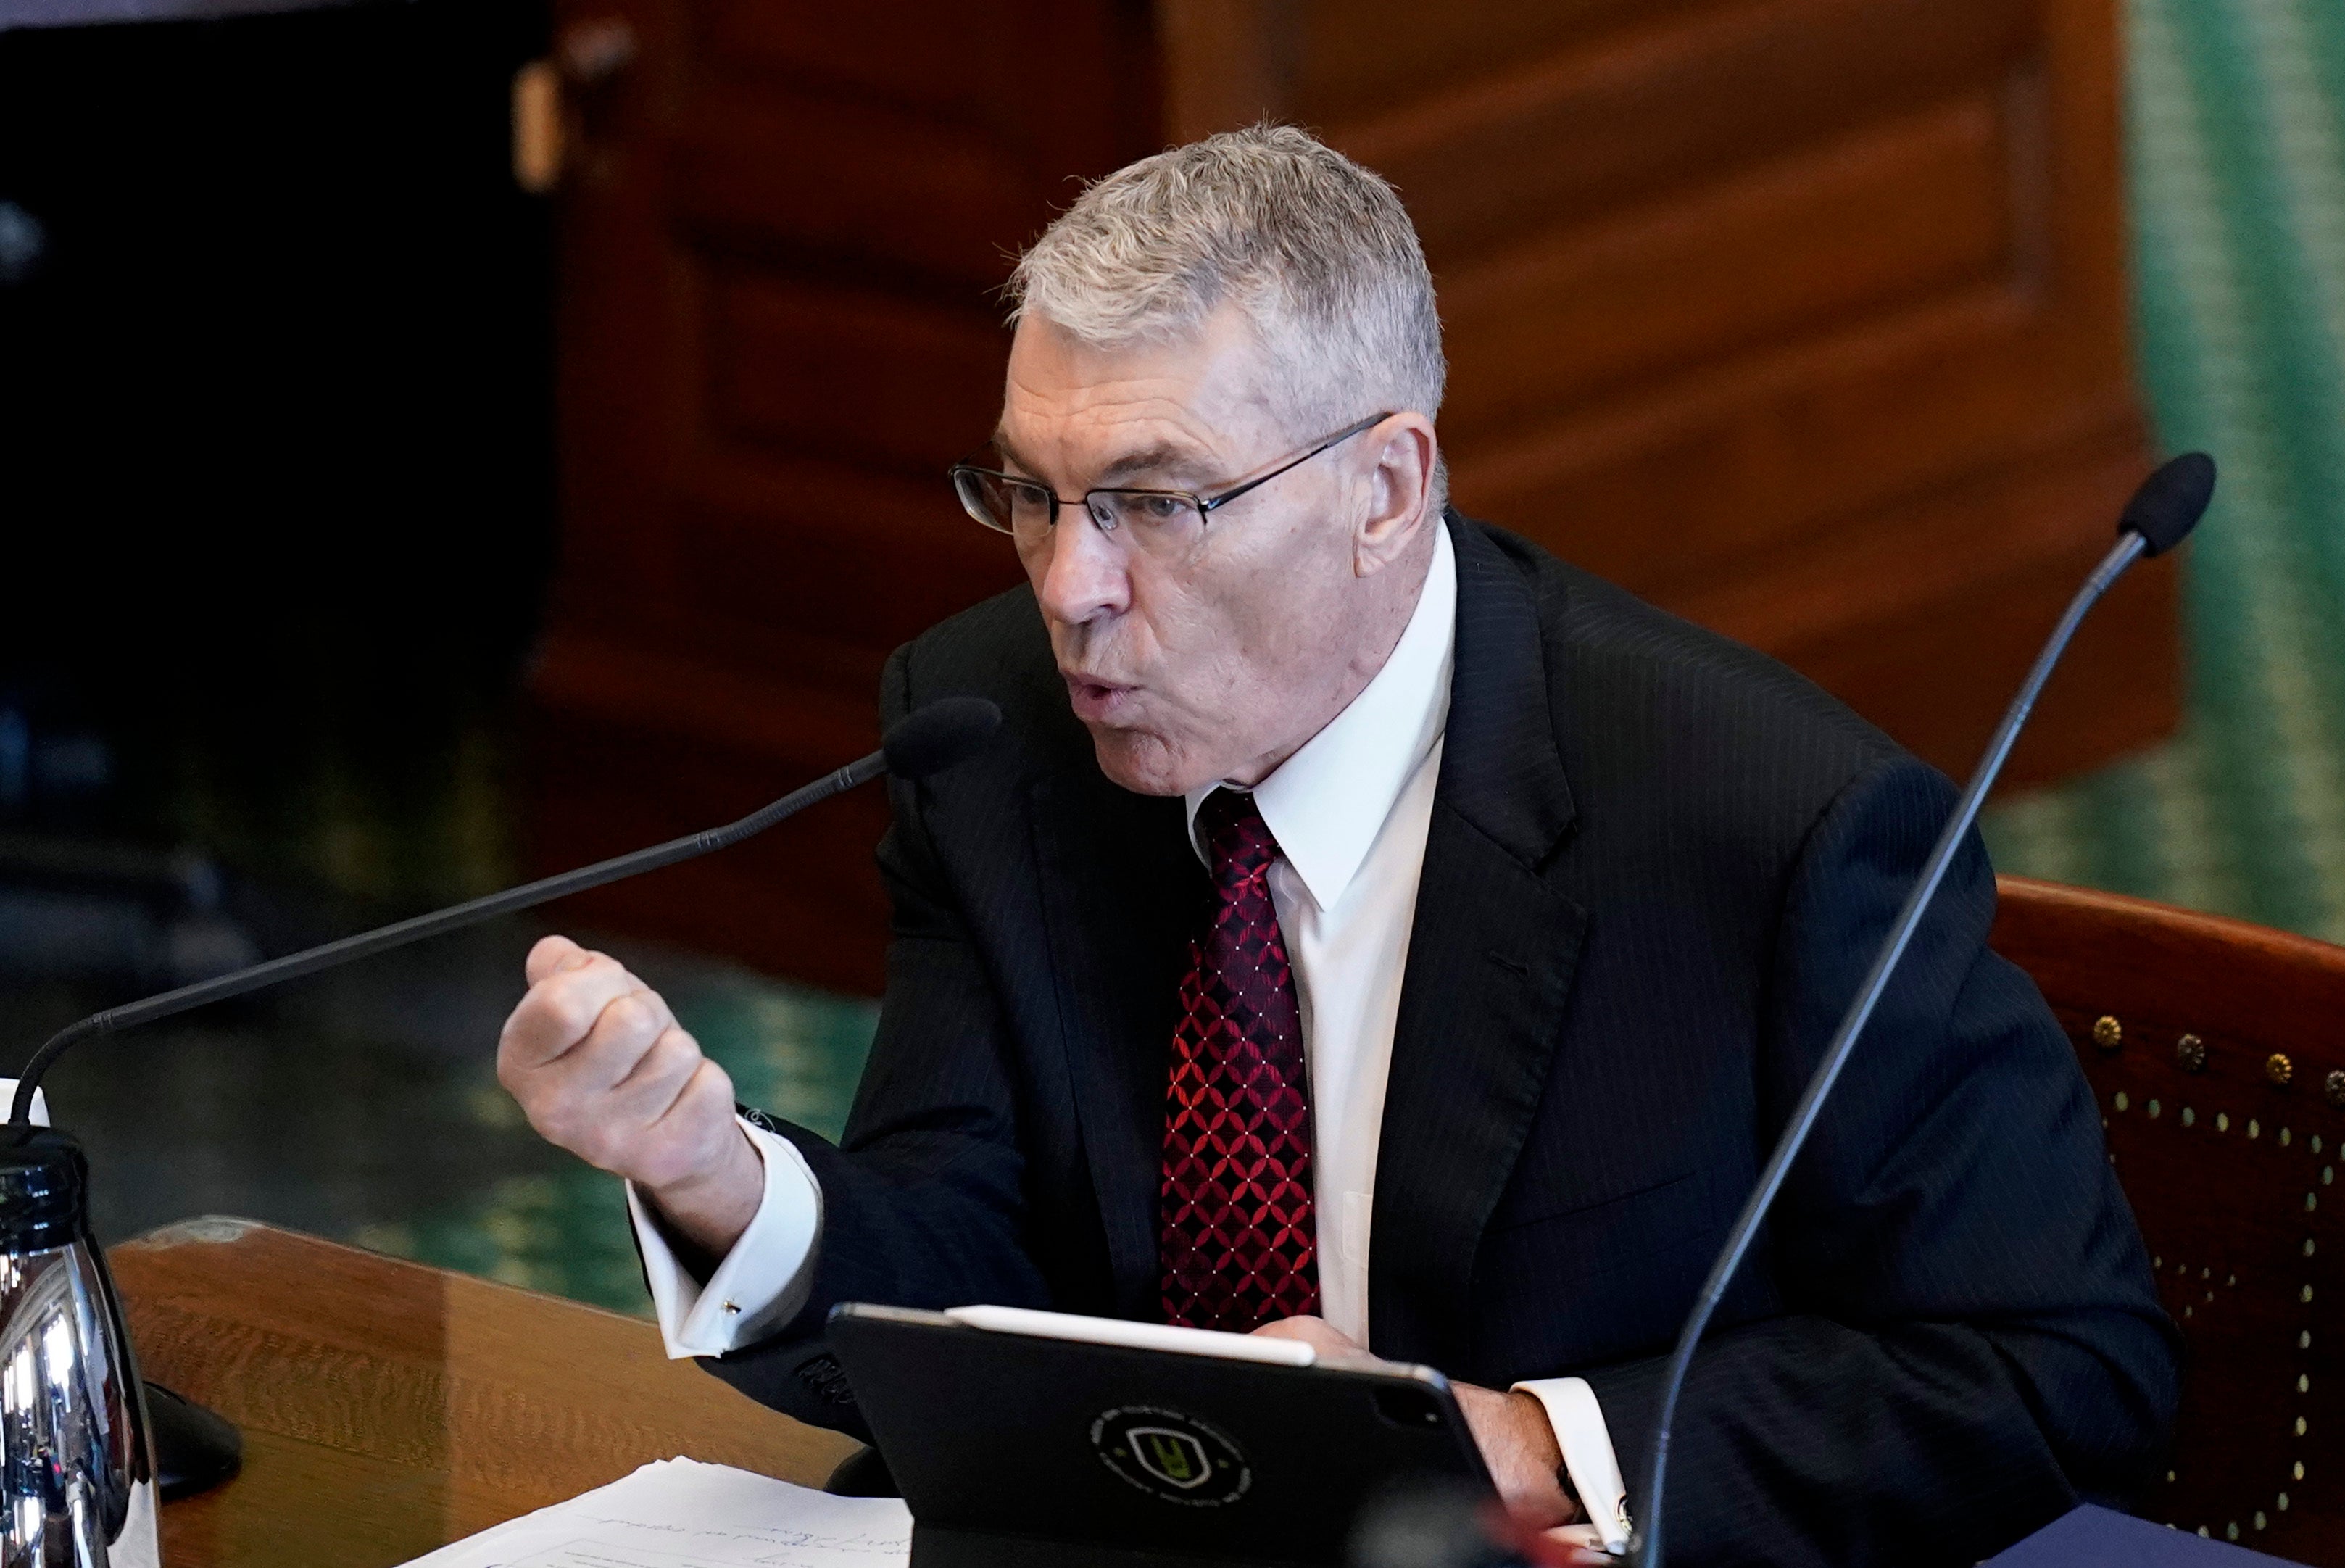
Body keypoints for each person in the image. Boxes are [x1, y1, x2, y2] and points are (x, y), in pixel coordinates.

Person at [496, 125, 2178, 1564]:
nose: (1071, 588)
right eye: (1028, 492)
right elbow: (969, 1262)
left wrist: (1524, 1437)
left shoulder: (1764, 824)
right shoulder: (990, 727)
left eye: (1155, 502)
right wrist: (720, 1179)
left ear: (1384, 489)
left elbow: (2060, 1359)